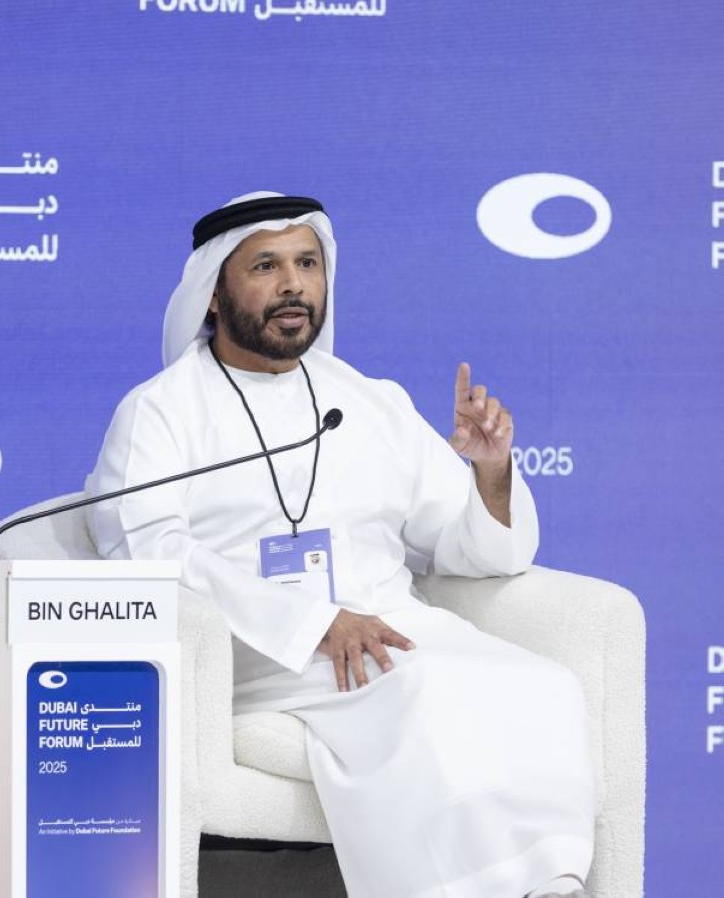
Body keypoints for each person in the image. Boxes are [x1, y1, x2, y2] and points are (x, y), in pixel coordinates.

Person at [88, 192, 595, 898]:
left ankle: (551, 884)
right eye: (265, 266)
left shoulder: (368, 399)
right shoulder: (161, 411)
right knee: (420, 687)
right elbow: (149, 554)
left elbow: (470, 549)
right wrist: (314, 623)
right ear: (212, 294)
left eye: (307, 263)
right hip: (263, 653)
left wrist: (490, 472)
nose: (293, 284)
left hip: (395, 630)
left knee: (545, 683)